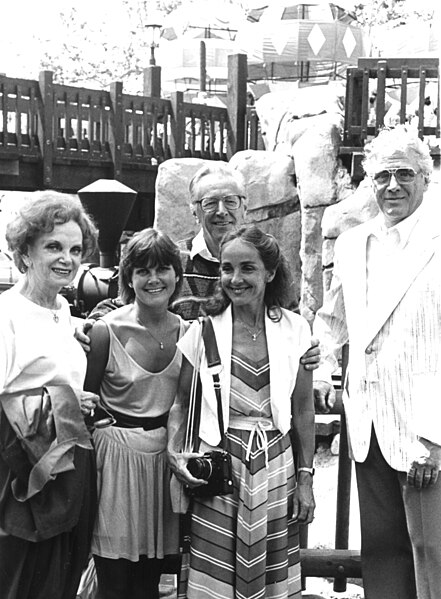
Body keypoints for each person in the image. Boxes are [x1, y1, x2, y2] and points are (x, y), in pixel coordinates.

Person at [313, 124, 441, 599]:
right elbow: (333, 319)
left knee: (434, 558)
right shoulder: (352, 243)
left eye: (405, 173)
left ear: (426, 179)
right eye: (382, 175)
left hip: (426, 433)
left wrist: (436, 436)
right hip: (368, 424)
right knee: (384, 556)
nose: (392, 185)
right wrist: (318, 359)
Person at [168, 224, 316, 599]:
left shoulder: (295, 329)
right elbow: (181, 403)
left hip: (276, 463)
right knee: (215, 574)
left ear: (269, 272)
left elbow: (302, 410)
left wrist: (305, 478)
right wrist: (174, 453)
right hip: (221, 462)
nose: (235, 278)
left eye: (247, 268)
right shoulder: (202, 331)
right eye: (227, 268)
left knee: (270, 575)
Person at [76, 162, 320, 369]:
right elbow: (123, 302)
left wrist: (310, 357)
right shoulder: (174, 259)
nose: (221, 211)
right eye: (210, 203)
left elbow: (290, 320)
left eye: (230, 201)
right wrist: (93, 325)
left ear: (245, 207)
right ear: (194, 211)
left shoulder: (263, 261)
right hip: (182, 392)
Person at [0, 191, 99, 599]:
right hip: (21, 474)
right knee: (20, 580)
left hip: (69, 467)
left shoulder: (62, 311)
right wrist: (66, 401)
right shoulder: (6, 315)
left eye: (76, 249)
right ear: (24, 252)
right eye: (53, 246)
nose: (67, 258)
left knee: (62, 580)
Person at [83, 228, 190, 599]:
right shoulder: (104, 332)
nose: (153, 279)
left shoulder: (190, 333)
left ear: (177, 275)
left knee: (151, 581)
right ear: (129, 277)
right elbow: (85, 404)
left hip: (164, 463)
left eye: (162, 269)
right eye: (142, 270)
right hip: (115, 463)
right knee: (114, 580)